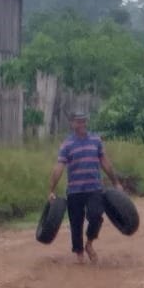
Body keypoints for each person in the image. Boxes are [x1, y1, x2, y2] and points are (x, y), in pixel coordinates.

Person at [48, 110, 122, 264]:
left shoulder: (96, 140)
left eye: (84, 121)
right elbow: (59, 168)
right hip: (74, 191)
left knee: (96, 216)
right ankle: (79, 254)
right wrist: (52, 190)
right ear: (72, 123)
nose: (82, 124)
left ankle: (89, 243)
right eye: (78, 121)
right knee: (76, 223)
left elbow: (105, 163)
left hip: (94, 188)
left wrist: (116, 182)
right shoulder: (67, 144)